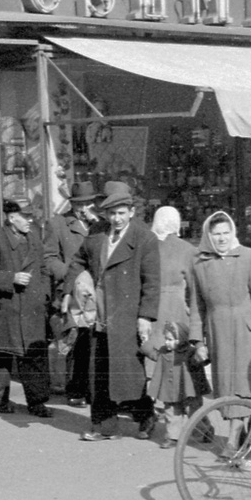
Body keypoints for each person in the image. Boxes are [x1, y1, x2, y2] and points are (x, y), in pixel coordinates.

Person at [65, 181, 160, 441]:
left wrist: (145, 316)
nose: (116, 219)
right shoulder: (97, 232)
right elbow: (79, 260)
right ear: (105, 214)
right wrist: (69, 290)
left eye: (121, 213)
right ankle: (104, 426)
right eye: (112, 213)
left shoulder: (144, 238)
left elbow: (152, 282)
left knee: (128, 373)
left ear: (131, 211)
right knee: (100, 372)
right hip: (100, 313)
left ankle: (145, 415)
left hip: (127, 315)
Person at [190, 211, 251, 423]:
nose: (222, 238)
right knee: (226, 387)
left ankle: (234, 439)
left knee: (245, 385)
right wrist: (198, 342)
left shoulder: (249, 256)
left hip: (246, 332)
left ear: (233, 232)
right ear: (208, 236)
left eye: (226, 233)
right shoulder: (199, 263)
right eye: (217, 234)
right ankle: (239, 434)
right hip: (217, 332)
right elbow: (196, 305)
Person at [0, 198, 54, 418]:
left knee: (34, 356)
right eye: (26, 216)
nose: (31, 220)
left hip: (32, 307)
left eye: (31, 216)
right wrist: (11, 278)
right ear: (11, 218)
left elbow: (44, 269)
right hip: (5, 309)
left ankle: (37, 402)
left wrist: (44, 295)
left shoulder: (35, 240)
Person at [44, 181, 103, 406]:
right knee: (77, 340)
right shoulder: (58, 224)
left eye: (88, 203)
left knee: (96, 339)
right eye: (80, 203)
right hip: (71, 291)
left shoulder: (101, 224)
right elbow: (48, 258)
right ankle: (76, 389)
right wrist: (70, 276)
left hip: (97, 291)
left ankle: (94, 390)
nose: (84, 207)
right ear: (72, 204)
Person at [144, 205, 199, 383]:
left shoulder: (147, 247)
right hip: (177, 309)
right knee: (177, 353)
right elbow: (193, 288)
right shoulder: (188, 249)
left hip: (153, 307)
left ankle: (157, 401)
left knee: (156, 354)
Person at [139, 320, 207, 449]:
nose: (166, 342)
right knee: (171, 413)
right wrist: (146, 346)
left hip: (188, 390)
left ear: (181, 339)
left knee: (193, 412)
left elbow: (197, 363)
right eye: (166, 339)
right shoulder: (164, 351)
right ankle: (173, 437)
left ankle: (205, 429)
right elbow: (155, 355)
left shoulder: (190, 352)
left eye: (170, 339)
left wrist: (201, 356)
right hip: (170, 390)